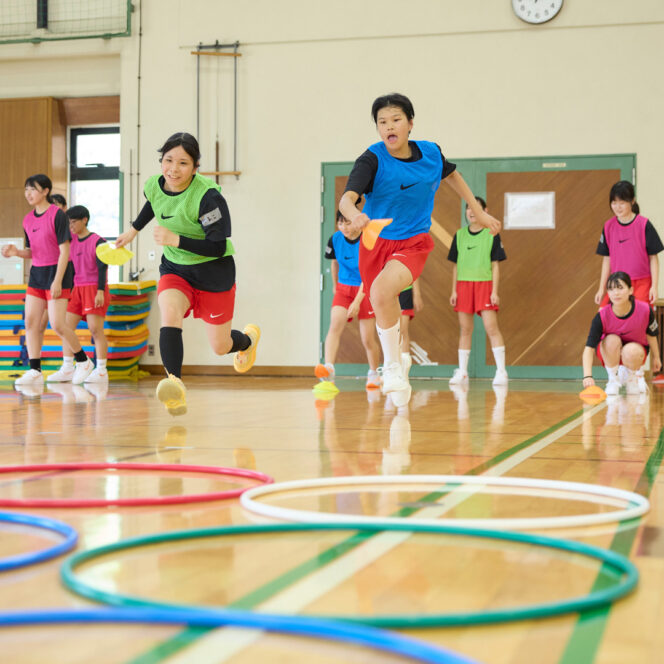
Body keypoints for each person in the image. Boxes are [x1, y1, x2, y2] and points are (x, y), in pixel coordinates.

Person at [339, 93, 500, 408]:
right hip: (375, 243)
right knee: (379, 298)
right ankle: (397, 362)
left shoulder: (430, 153)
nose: (389, 127)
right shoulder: (371, 160)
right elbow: (347, 198)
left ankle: (393, 368)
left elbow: (452, 175)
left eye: (396, 119)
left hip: (412, 241)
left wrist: (476, 211)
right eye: (382, 122)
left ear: (410, 123)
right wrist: (354, 214)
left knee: (385, 290)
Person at [115, 132, 259, 416]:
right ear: (161, 162)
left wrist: (176, 239)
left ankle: (248, 341)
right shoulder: (155, 185)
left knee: (220, 346)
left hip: (214, 274)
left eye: (183, 163)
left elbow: (218, 246)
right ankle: (175, 385)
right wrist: (133, 229)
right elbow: (153, 204)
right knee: (170, 313)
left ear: (195, 167)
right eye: (168, 160)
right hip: (176, 268)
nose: (173, 169)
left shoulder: (208, 198)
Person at [1, 175, 95, 388]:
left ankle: (83, 361)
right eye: (26, 189)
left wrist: (57, 280)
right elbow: (32, 252)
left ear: (45, 191)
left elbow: (65, 251)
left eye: (32, 189)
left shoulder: (58, 216)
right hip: (37, 274)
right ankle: (34, 369)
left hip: (58, 271)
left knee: (58, 323)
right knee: (31, 323)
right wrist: (17, 252)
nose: (28, 194)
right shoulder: (27, 219)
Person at [316, 208, 381, 389]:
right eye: (340, 223)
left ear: (357, 222)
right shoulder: (335, 239)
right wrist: (337, 286)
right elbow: (334, 262)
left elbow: (367, 275)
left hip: (365, 289)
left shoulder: (368, 240)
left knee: (367, 338)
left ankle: (374, 373)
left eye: (348, 222)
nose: (344, 227)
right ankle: (329, 368)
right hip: (344, 289)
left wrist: (357, 302)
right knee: (335, 325)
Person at [448, 196, 507, 386]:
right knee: (465, 330)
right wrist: (454, 291)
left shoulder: (491, 234)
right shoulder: (459, 235)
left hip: (485, 285)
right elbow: (455, 266)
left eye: (476, 208)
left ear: (485, 211)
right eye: (468, 208)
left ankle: (501, 371)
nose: (471, 211)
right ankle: (462, 371)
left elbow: (495, 265)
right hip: (463, 286)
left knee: (491, 328)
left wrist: (494, 291)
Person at [47, 205, 110, 384]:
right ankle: (68, 367)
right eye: (69, 223)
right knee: (65, 327)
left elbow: (102, 267)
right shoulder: (71, 241)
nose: (71, 226)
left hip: (94, 288)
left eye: (74, 222)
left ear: (85, 220)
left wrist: (100, 291)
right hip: (77, 289)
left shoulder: (98, 241)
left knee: (95, 330)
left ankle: (101, 370)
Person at [583, 271, 660, 395]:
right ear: (608, 293)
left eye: (620, 288)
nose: (616, 293)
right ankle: (613, 379)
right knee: (612, 340)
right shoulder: (601, 316)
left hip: (635, 353)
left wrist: (657, 357)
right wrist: (587, 376)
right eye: (611, 289)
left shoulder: (645, 310)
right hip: (610, 352)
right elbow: (589, 348)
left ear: (630, 290)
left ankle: (632, 378)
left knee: (631, 350)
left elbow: (651, 335)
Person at [594, 181, 663, 307]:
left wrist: (654, 286)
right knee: (603, 316)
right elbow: (607, 259)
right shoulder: (608, 226)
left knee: (638, 320)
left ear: (632, 202)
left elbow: (653, 258)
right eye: (614, 203)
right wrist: (601, 289)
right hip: (617, 284)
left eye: (622, 203)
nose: (617, 207)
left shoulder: (644, 225)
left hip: (641, 283)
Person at [398, 279, 422, 376]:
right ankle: (392, 369)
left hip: (404, 291)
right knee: (389, 332)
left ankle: (404, 372)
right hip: (387, 291)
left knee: (402, 331)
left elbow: (414, 271)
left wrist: (417, 294)